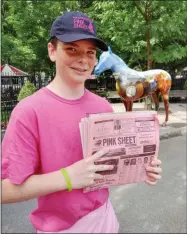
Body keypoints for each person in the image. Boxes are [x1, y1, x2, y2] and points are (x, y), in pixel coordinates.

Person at [1, 11, 162, 233]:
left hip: (105, 219)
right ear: (52, 51)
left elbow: (107, 169)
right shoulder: (28, 111)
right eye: (71, 49)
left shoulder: (103, 107)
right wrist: (68, 177)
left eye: (90, 52)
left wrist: (142, 167)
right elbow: (5, 190)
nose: (83, 59)